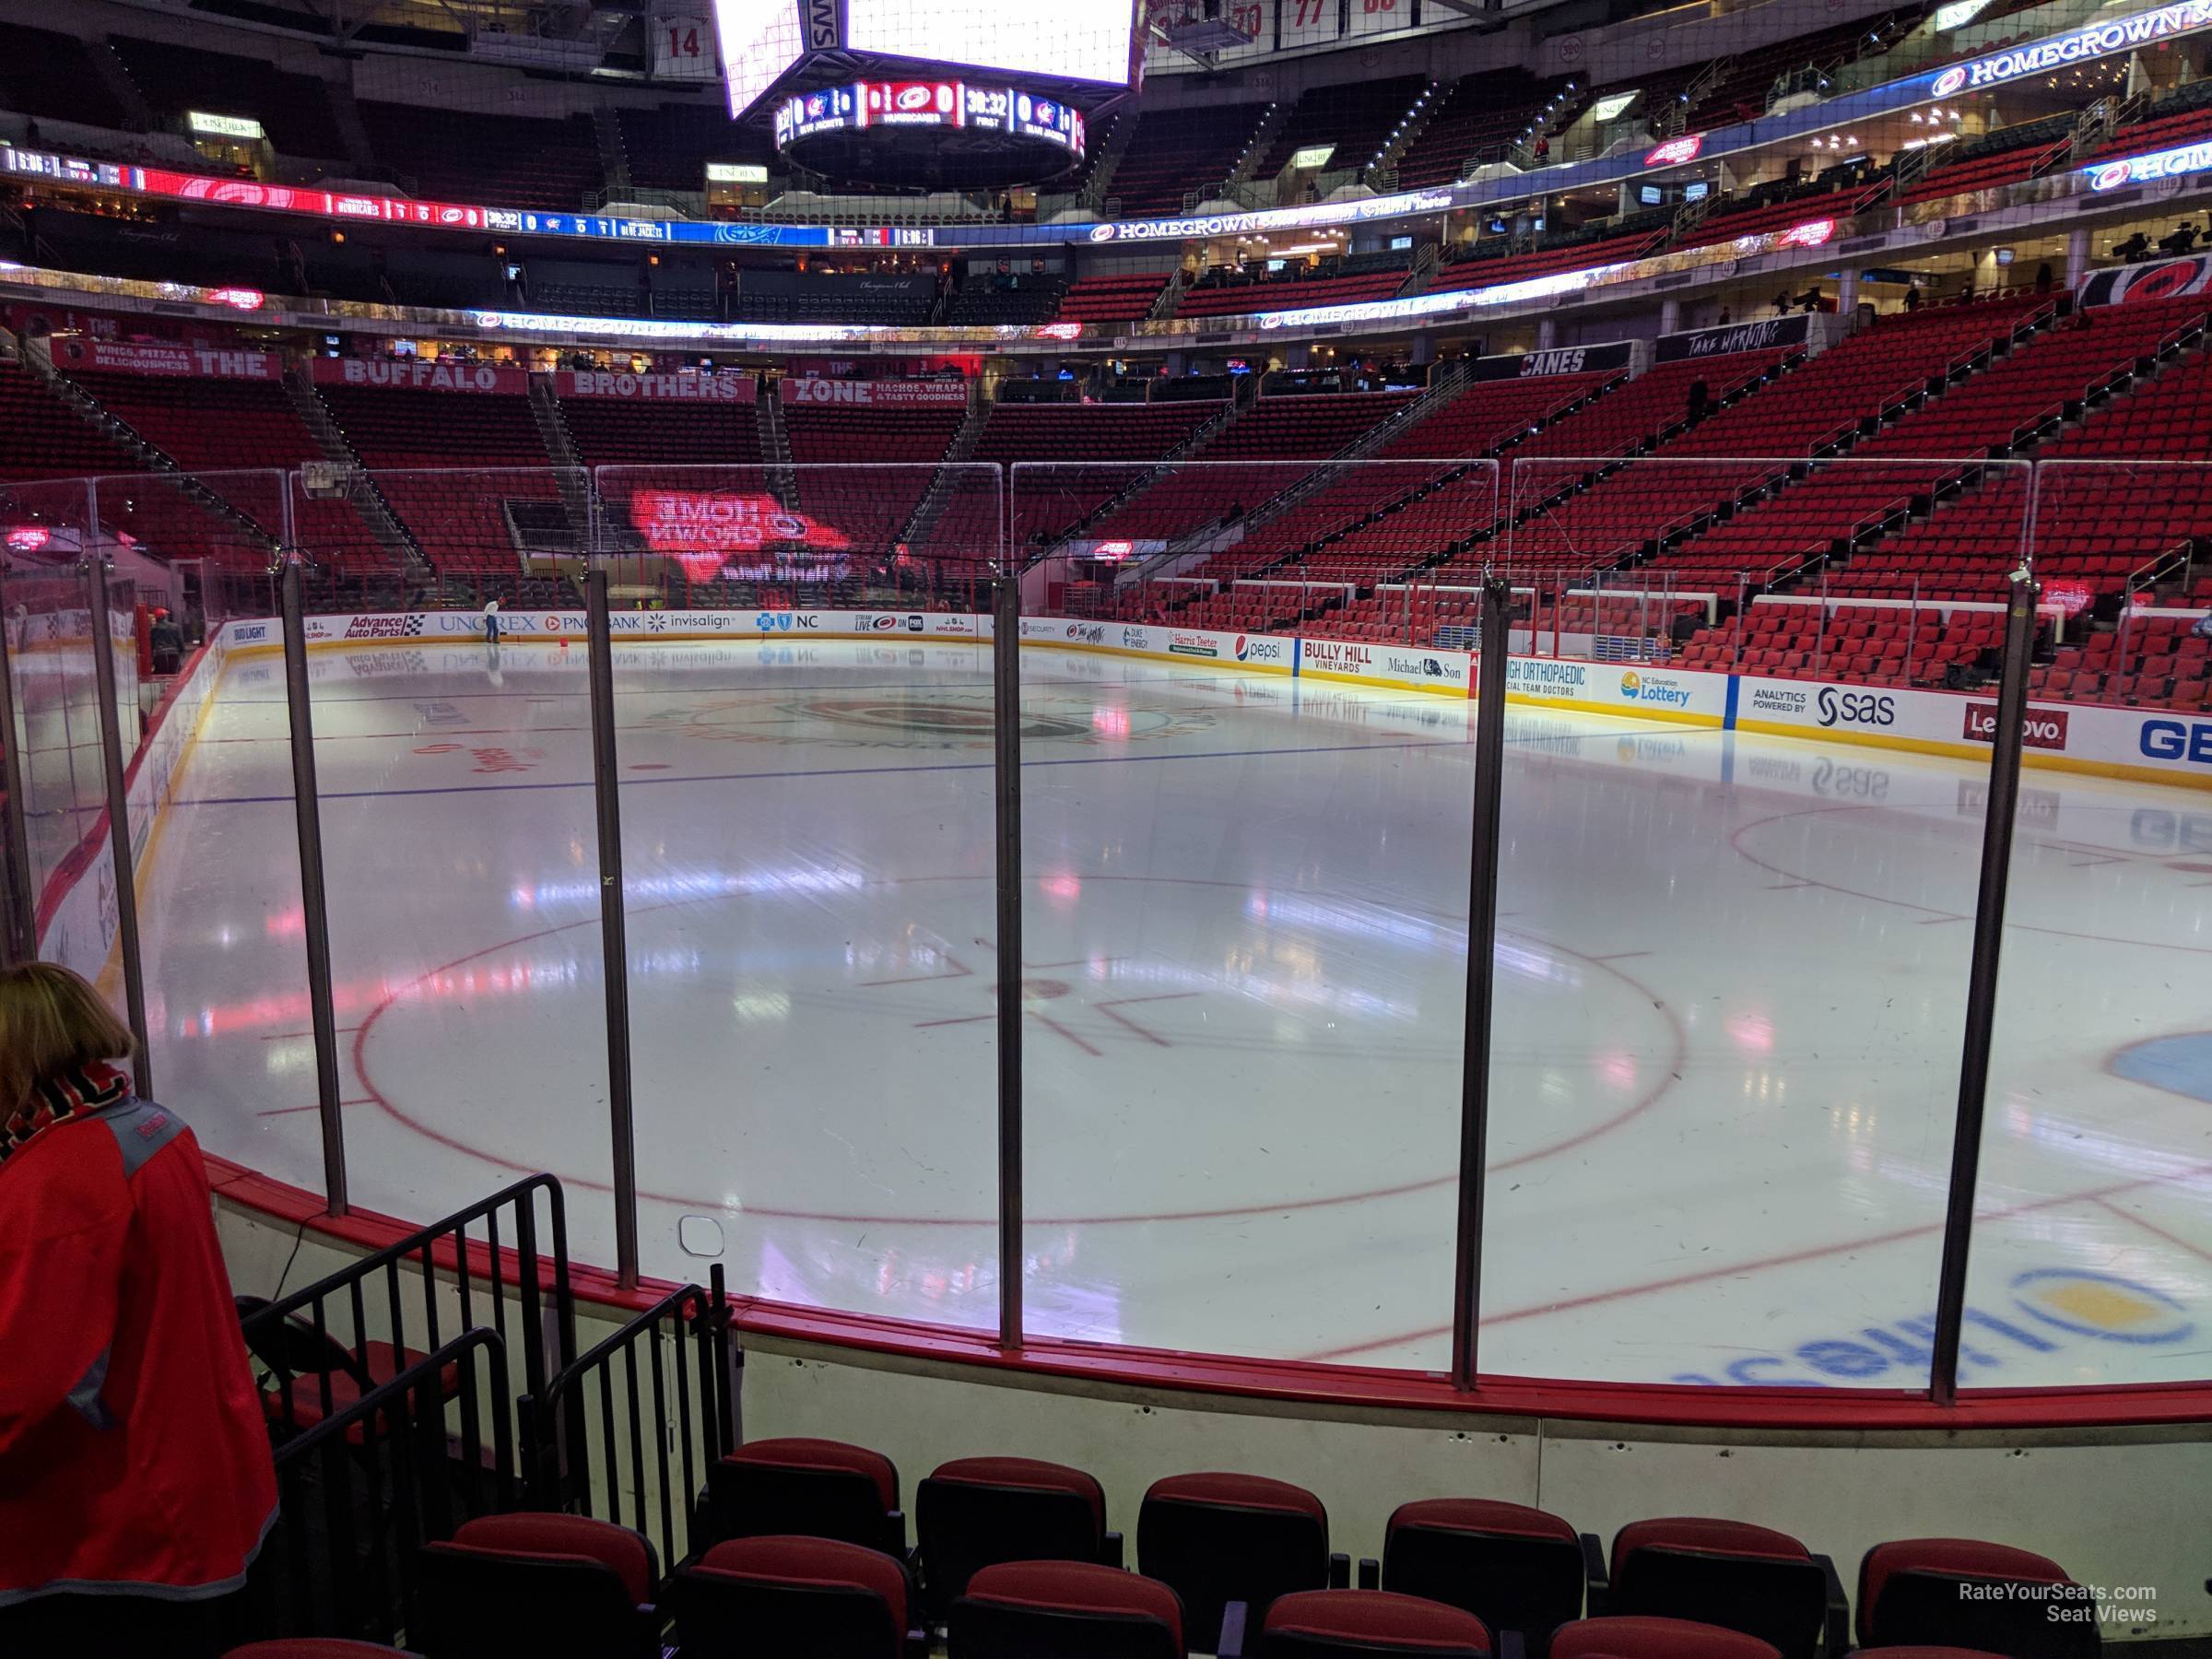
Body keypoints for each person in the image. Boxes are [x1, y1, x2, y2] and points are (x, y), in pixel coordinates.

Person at [0, 963, 278, 1657]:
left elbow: (28, 1384)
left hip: (118, 1531)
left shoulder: (60, 1178)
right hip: (205, 1480)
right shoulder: (154, 1127)